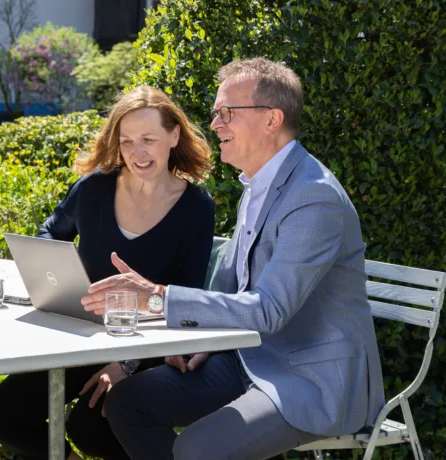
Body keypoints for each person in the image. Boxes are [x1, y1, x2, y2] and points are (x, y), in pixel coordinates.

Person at [82, 58, 385, 459]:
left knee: (194, 449)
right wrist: (200, 341)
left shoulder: (314, 196)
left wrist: (155, 296)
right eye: (215, 113)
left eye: (227, 113)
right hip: (246, 360)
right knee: (126, 402)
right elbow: (228, 287)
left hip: (310, 380)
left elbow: (269, 310)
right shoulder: (260, 184)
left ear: (272, 119)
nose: (214, 124)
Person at [0, 85, 216, 460]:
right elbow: (50, 233)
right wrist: (56, 277)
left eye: (148, 139)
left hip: (147, 346)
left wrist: (125, 364)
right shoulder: (94, 188)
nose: (137, 153)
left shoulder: (196, 208)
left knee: (90, 426)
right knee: (5, 415)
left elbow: (182, 301)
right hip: (82, 336)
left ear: (174, 136)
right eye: (126, 142)